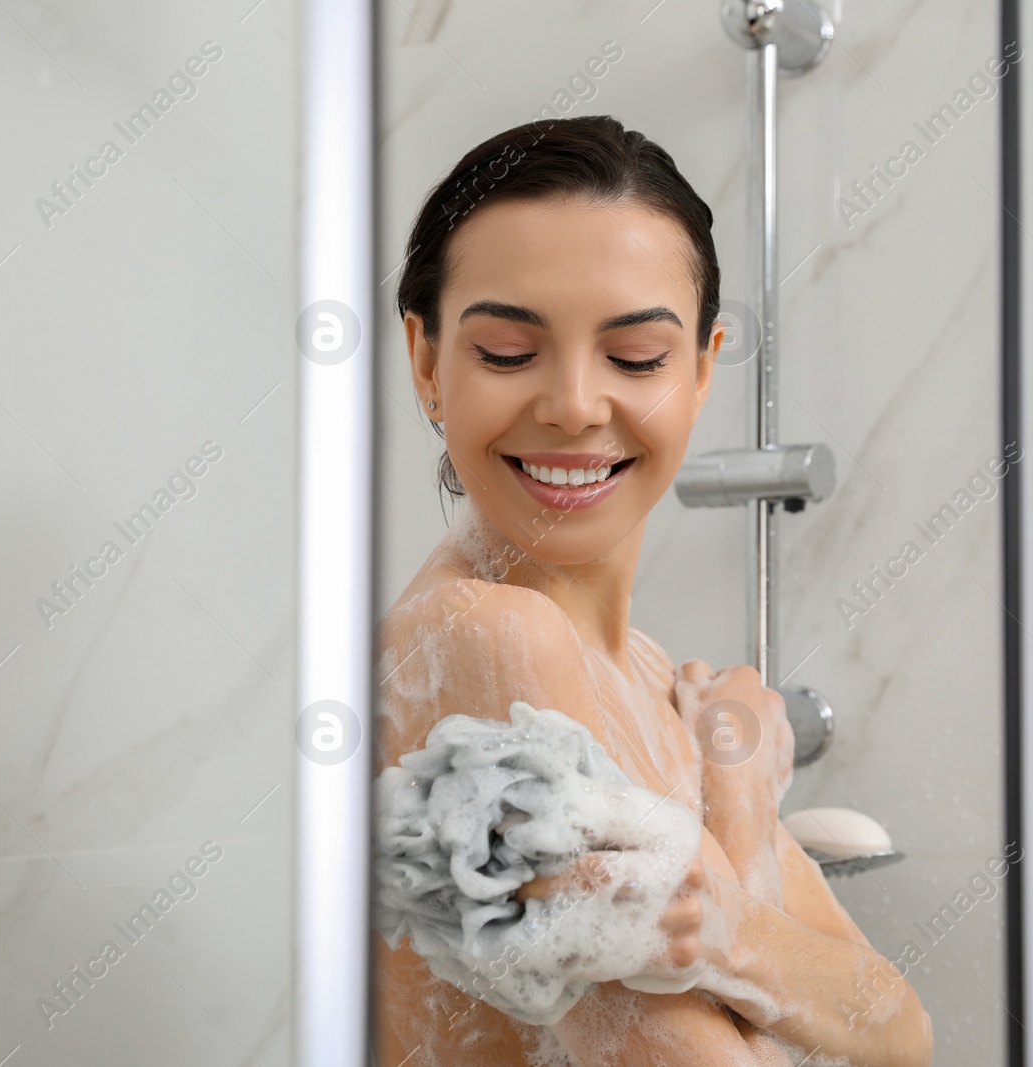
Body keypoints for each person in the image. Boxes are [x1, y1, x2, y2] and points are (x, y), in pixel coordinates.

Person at [375, 114, 933, 1066]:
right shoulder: (481, 634)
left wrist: (725, 914)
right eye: (509, 350)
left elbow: (899, 1027)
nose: (575, 404)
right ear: (428, 363)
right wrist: (743, 798)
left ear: (704, 368)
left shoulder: (642, 673)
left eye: (636, 358)